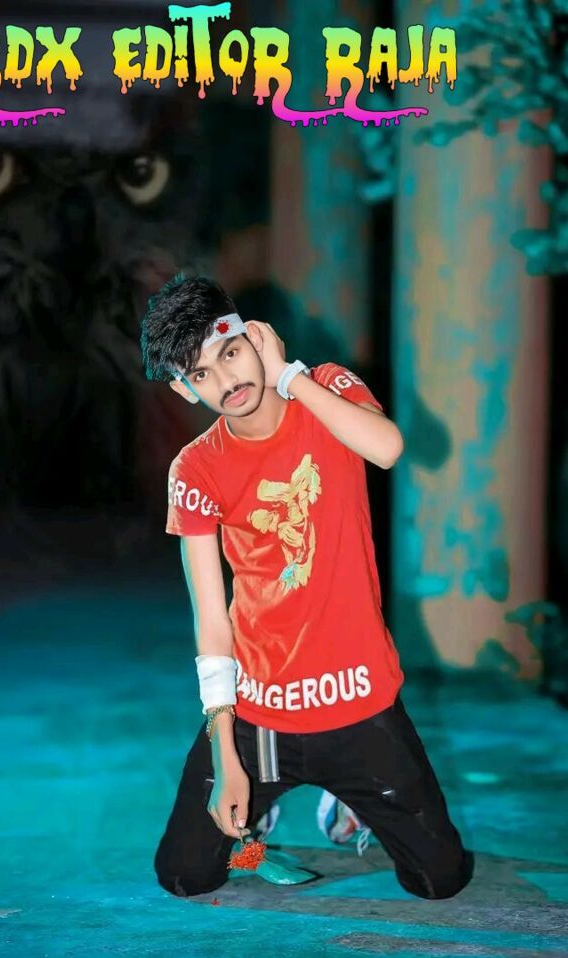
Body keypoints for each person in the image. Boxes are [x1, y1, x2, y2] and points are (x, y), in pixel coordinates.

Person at [140, 273, 474, 900]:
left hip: (358, 701)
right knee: (184, 874)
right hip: (261, 712)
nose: (227, 380)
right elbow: (211, 619)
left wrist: (290, 377)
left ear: (253, 336)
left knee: (440, 880)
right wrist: (225, 752)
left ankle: (349, 801)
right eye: (202, 374)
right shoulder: (196, 468)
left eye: (231, 352)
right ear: (184, 388)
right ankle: (259, 808)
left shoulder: (326, 388)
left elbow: (387, 448)